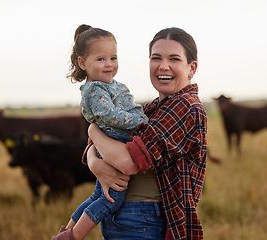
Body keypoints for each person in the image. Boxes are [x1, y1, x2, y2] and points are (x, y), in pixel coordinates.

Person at [85, 27, 207, 239]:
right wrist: (95, 162)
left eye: (174, 59)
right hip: (123, 216)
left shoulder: (186, 107)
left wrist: (92, 129)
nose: (163, 66)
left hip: (145, 220)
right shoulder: (150, 109)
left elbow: (127, 161)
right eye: (156, 58)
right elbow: (104, 143)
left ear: (191, 68)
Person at [52, 24, 148, 240]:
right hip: (114, 140)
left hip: (108, 141)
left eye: (113, 58)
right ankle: (75, 236)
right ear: (82, 62)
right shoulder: (95, 89)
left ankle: (66, 231)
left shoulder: (110, 85)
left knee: (98, 193)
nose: (109, 64)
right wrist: (139, 121)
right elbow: (111, 115)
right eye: (101, 59)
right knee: (112, 197)